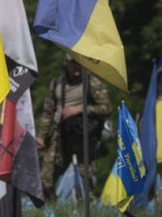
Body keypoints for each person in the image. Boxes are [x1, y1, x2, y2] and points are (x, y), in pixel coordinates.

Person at [35, 55, 111, 198]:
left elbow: (106, 108)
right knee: (46, 176)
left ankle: (88, 211)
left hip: (84, 136)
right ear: (66, 63)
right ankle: (51, 210)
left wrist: (79, 109)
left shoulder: (92, 83)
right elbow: (48, 112)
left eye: (79, 63)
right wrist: (41, 136)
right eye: (73, 63)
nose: (76, 66)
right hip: (60, 135)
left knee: (86, 179)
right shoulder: (57, 83)